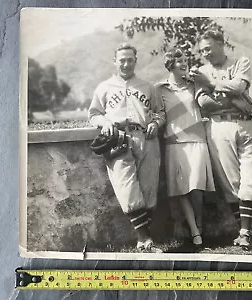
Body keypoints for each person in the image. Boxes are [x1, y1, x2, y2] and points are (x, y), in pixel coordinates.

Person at [88, 43, 165, 253]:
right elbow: (93, 113)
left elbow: (160, 113)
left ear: (135, 61)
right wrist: (104, 122)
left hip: (145, 138)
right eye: (122, 60)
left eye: (130, 59)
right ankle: (146, 240)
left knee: (148, 190)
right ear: (115, 61)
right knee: (127, 188)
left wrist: (155, 124)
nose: (126, 63)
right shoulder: (104, 87)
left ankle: (143, 242)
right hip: (118, 139)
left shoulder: (148, 87)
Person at [190, 30, 252, 251]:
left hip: (245, 123)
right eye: (202, 51)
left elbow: (240, 86)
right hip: (219, 126)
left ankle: (245, 232)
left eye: (209, 48)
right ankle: (245, 232)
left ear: (222, 44)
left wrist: (212, 85)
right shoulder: (200, 71)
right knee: (231, 181)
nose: (206, 54)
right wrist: (229, 97)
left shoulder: (241, 62)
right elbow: (204, 103)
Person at [155, 48, 215, 247]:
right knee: (182, 190)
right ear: (170, 65)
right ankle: (195, 230)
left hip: (197, 140)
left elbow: (210, 98)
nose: (184, 63)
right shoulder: (160, 89)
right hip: (174, 143)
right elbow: (158, 115)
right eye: (179, 60)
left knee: (197, 187)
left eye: (185, 60)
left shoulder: (194, 85)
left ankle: (198, 222)